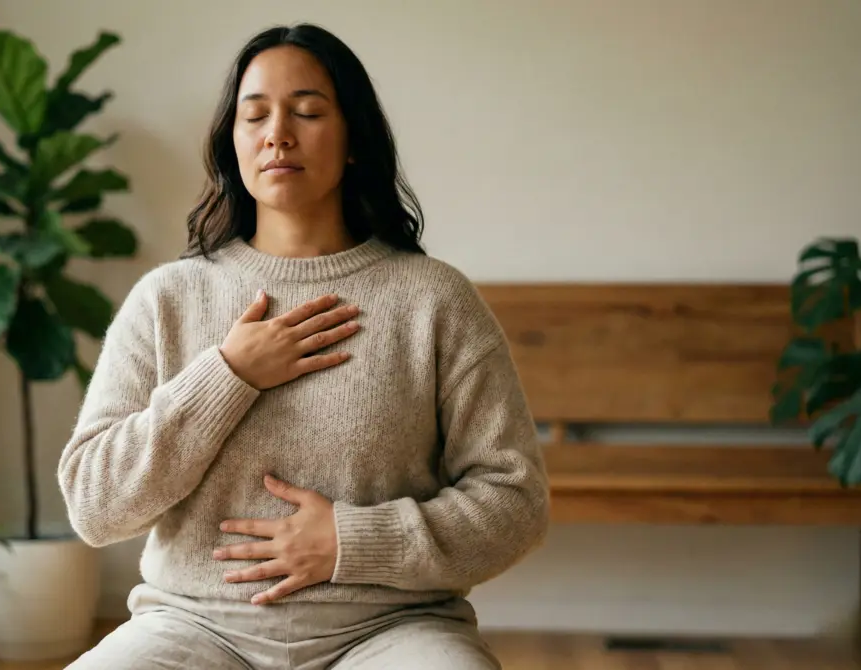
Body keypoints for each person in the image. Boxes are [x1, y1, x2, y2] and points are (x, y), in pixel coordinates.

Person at [58, 22, 549, 670]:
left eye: (309, 111)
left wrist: (355, 541)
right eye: (254, 114)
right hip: (194, 628)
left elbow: (515, 500)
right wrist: (226, 377)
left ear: (352, 141)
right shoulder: (168, 300)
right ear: (232, 143)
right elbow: (94, 505)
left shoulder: (434, 300)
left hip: (392, 630)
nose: (277, 133)